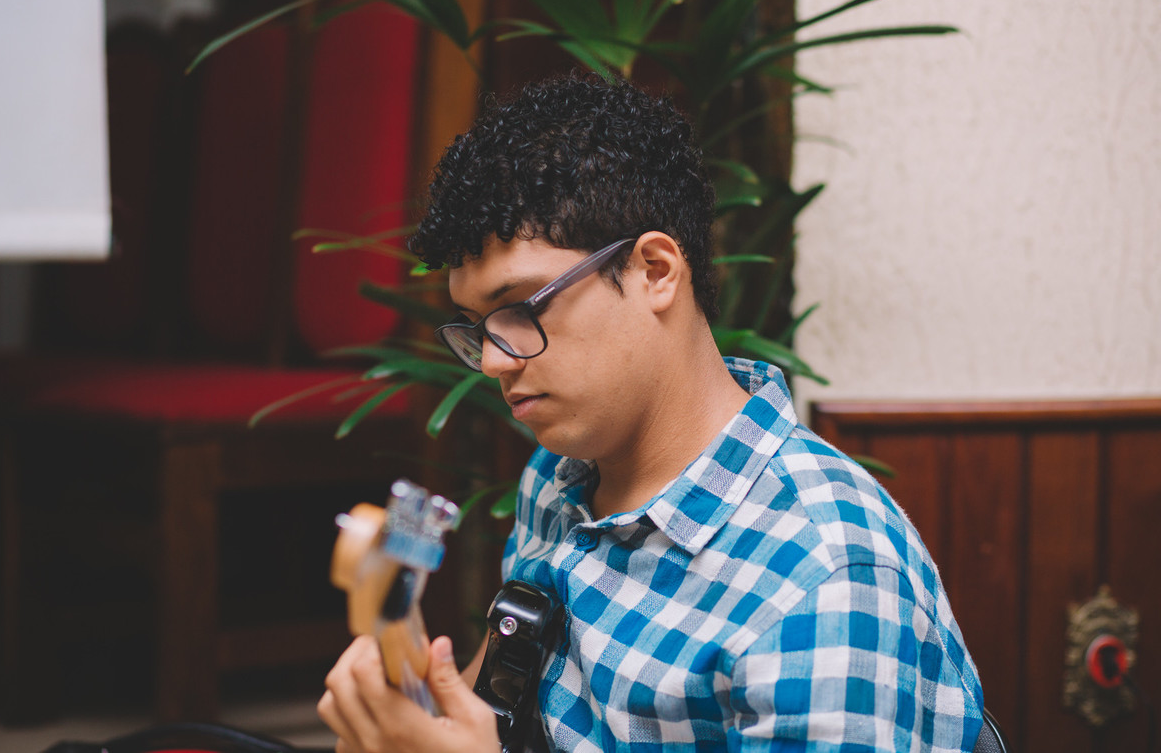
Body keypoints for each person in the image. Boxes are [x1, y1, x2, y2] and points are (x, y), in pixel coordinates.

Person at [317, 73, 984, 752]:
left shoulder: (823, 578)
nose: (492, 361)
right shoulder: (556, 475)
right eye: (476, 326)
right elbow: (497, 709)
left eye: (518, 308)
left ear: (656, 272)